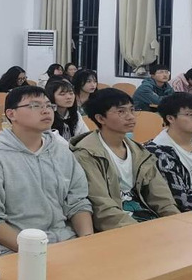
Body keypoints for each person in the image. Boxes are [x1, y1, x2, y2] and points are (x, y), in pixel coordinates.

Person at [0, 86, 93, 261]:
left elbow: (78, 201)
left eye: (49, 105)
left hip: (62, 242)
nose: (46, 110)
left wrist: (87, 241)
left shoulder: (61, 152)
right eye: (35, 105)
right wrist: (36, 251)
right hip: (9, 250)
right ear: (11, 114)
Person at [70, 88, 179, 230]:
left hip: (147, 220)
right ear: (100, 118)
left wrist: (177, 221)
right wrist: (141, 231)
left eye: (132, 110)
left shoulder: (139, 152)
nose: (130, 117)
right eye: (121, 111)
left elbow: (162, 197)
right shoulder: (86, 154)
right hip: (118, 226)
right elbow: (102, 207)